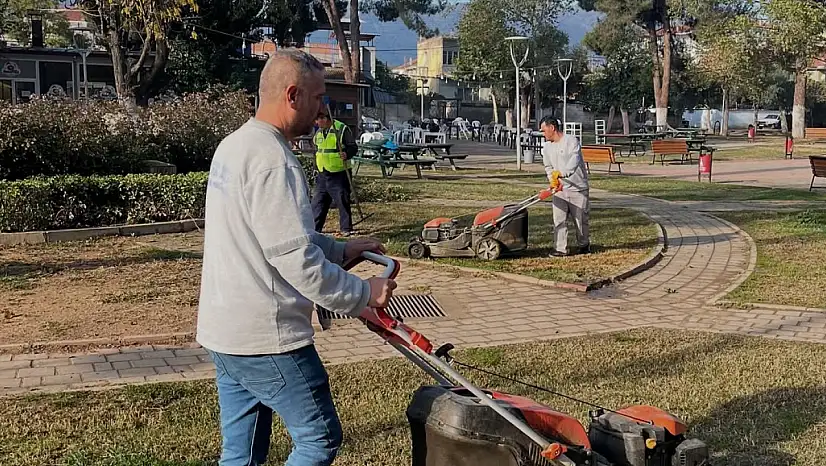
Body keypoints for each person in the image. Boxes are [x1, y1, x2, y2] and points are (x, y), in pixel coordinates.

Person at [196, 49, 398, 466]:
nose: (323, 107)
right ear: (293, 95)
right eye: (319, 97)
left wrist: (342, 250)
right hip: (268, 339)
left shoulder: (234, 146)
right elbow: (294, 259)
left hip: (226, 333)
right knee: (318, 439)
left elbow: (278, 237)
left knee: (241, 452)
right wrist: (364, 293)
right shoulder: (273, 160)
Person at [539, 116, 590, 257]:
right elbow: (548, 166)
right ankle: (560, 249)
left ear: (552, 128)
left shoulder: (571, 141)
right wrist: (552, 181)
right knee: (559, 220)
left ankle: (584, 244)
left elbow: (574, 161)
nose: (543, 134)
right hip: (559, 190)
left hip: (577, 188)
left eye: (544, 131)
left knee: (580, 220)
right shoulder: (547, 147)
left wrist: (562, 173)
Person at [311, 109, 358, 236]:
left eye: (319, 119)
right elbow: (317, 150)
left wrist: (347, 153)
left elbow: (353, 147)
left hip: (339, 172)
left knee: (342, 200)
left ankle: (346, 228)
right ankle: (315, 228)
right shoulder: (319, 132)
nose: (317, 122)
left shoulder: (342, 129)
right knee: (318, 202)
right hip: (322, 172)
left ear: (326, 118)